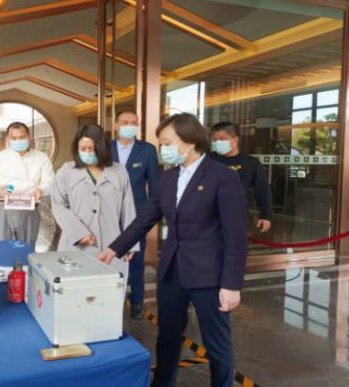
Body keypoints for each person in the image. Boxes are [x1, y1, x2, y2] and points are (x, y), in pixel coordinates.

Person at [98, 113, 248, 387]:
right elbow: (145, 218)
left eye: (167, 142)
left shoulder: (222, 177)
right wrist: (114, 248)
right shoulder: (168, 178)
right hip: (172, 273)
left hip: (209, 276)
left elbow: (235, 236)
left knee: (217, 344)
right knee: (167, 337)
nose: (162, 148)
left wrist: (231, 284)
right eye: (161, 143)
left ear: (189, 142)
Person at [51, 124, 138, 256]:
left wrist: (129, 243)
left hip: (112, 247)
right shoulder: (66, 171)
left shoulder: (119, 171)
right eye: (83, 148)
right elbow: (58, 206)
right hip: (76, 246)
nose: (87, 152)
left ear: (101, 148)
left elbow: (128, 210)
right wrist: (79, 233)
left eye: (92, 148)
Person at [111, 110, 160, 319]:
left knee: (136, 258)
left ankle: (137, 301)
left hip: (137, 214)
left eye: (134, 123)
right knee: (110, 255)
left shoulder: (147, 150)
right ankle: (110, 300)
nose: (130, 126)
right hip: (109, 212)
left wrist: (152, 213)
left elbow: (155, 184)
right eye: (125, 122)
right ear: (116, 125)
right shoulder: (105, 148)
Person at [0, 122, 54, 249]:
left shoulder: (41, 158)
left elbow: (50, 181)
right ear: (8, 139)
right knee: (0, 248)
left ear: (29, 137)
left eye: (21, 137)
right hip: (2, 208)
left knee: (26, 248)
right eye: (13, 138)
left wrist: (41, 190)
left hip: (29, 208)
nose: (18, 141)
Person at [210, 121, 273, 233]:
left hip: (237, 217)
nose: (217, 142)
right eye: (215, 140)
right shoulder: (206, 160)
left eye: (222, 139)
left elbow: (262, 190)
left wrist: (266, 215)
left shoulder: (251, 163)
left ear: (235, 139)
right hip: (207, 217)